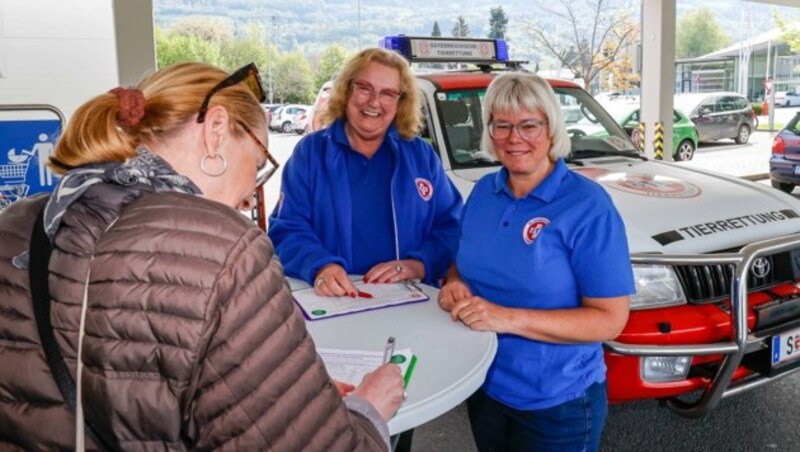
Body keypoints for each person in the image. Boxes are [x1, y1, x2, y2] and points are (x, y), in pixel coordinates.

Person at [0, 61, 404, 450]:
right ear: (216, 129)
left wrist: (285, 396)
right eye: (259, 163)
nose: (251, 194)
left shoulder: (19, 221)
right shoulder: (225, 250)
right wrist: (367, 411)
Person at [437, 72, 635, 452]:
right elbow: (461, 263)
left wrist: (507, 317)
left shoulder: (587, 206)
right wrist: (455, 283)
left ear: (552, 129)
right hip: (484, 386)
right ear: (489, 131)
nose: (515, 138)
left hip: (558, 403)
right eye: (502, 125)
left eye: (529, 125)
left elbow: (610, 320)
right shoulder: (483, 193)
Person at [268, 48, 463, 297]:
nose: (374, 101)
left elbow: (453, 226)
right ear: (347, 89)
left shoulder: (420, 156)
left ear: (400, 102)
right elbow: (287, 228)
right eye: (365, 88)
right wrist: (320, 266)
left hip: (409, 301)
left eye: (388, 93)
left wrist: (419, 265)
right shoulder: (311, 154)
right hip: (336, 300)